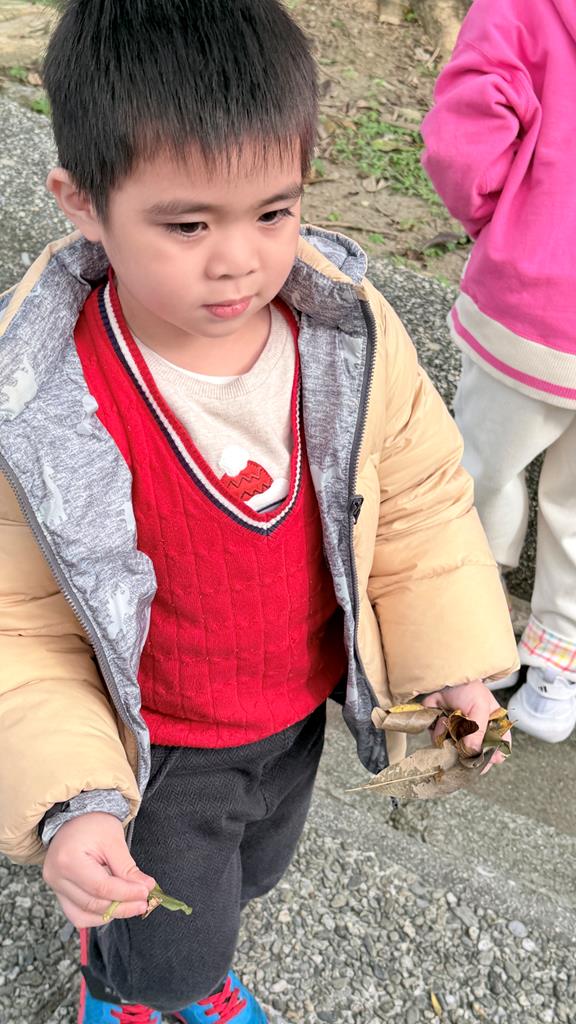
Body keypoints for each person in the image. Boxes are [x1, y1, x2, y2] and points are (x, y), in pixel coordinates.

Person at [0, 1, 517, 1021]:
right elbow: (18, 624)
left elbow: (416, 504)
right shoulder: (46, 402)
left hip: (293, 713)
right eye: (188, 225)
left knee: (252, 869)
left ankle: (171, 961)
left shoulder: (347, 339)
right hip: (153, 747)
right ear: (82, 202)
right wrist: (71, 797)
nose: (238, 258)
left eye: (274, 212)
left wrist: (453, 663)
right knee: (157, 928)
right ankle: (126, 992)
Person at [421, 0, 576, 744]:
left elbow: (465, 142)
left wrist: (499, 223)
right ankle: (557, 665)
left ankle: (471, 648)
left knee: (481, 472)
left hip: (532, 303)